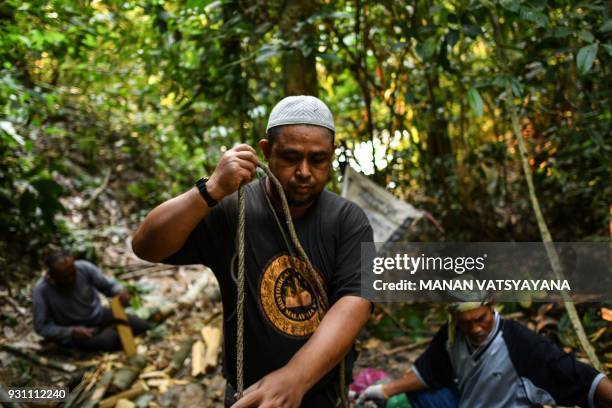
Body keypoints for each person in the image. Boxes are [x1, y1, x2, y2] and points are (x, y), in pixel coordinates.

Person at [132, 95, 374, 407]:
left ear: (332, 155)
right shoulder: (232, 210)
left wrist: (295, 378)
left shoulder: (348, 219)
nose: (304, 172)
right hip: (247, 396)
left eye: (318, 159)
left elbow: (355, 300)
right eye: (290, 158)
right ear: (266, 152)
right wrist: (212, 189)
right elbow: (146, 246)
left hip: (322, 395)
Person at [357, 302, 612, 408]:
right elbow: (429, 370)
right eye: (466, 323)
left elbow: (583, 379)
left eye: (480, 319)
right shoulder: (452, 335)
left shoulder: (520, 344)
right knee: (415, 394)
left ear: (491, 306)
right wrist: (385, 390)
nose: (475, 329)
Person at [32, 251, 149, 352]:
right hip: (78, 332)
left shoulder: (83, 268)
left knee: (141, 325)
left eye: (73, 273)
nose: (71, 279)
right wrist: (70, 332)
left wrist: (120, 291)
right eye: (64, 277)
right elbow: (41, 327)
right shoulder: (41, 290)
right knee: (109, 342)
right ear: (51, 276)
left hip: (99, 315)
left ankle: (111, 330)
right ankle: (111, 333)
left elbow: (108, 286)